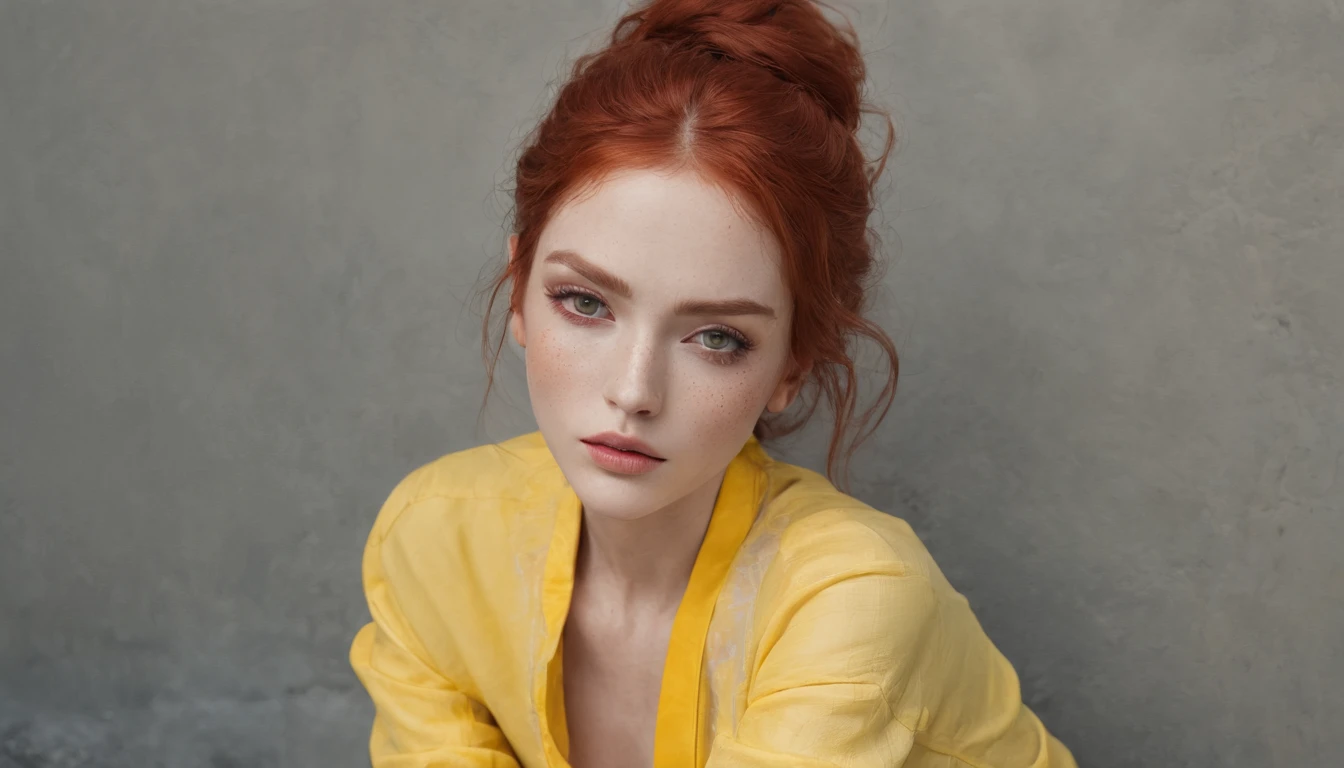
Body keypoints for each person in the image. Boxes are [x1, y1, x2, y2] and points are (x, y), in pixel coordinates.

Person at [349, 0, 1078, 766]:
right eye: (586, 302)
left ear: (790, 365)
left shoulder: (848, 598)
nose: (634, 392)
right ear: (521, 287)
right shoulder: (439, 543)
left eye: (716, 338)